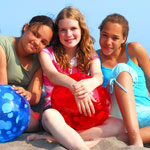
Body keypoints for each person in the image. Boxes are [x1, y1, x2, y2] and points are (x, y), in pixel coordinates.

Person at [27, 6, 126, 150]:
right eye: (63, 30)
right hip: (56, 109)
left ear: (81, 30)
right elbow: (53, 75)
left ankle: (59, 137)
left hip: (85, 113)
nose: (69, 34)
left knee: (119, 124)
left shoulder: (89, 54)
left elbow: (98, 76)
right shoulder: (47, 53)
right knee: (49, 117)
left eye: (73, 28)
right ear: (57, 32)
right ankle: (81, 146)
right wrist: (76, 88)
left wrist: (90, 84)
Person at [97, 13, 150, 147]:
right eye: (104, 35)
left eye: (115, 38)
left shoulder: (134, 49)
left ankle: (123, 138)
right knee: (122, 69)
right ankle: (135, 139)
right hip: (118, 113)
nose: (108, 42)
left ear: (124, 39)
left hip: (144, 110)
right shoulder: (93, 57)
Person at [0, 15, 54, 132]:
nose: (37, 42)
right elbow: (2, 87)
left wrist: (27, 95)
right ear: (26, 27)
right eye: (35, 34)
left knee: (33, 125)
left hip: (18, 102)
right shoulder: (3, 45)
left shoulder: (39, 60)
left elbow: (35, 96)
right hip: (4, 97)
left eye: (43, 42)